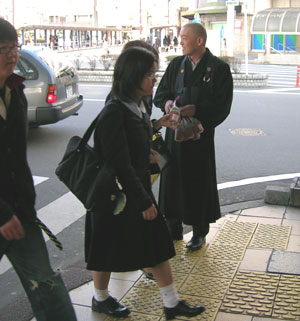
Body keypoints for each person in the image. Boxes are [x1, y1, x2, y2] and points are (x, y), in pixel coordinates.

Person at [85, 47, 205, 320]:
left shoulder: (136, 103)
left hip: (133, 188)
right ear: (133, 75)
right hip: (117, 194)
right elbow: (119, 163)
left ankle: (171, 303)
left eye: (155, 73)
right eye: (150, 74)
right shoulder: (114, 110)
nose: (154, 79)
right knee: (106, 246)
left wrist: (153, 127)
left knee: (156, 245)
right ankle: (101, 299)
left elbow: (130, 138)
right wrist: (143, 202)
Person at [0, 18, 77, 321]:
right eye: (4, 48)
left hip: (20, 213)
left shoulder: (15, 90)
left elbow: (17, 157)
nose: (12, 55)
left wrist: (24, 205)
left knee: (47, 286)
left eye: (14, 47)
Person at [154, 22, 233, 251]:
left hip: (199, 138)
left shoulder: (218, 68)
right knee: (171, 180)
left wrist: (197, 111)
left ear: (199, 41)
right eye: (180, 37)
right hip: (173, 136)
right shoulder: (176, 65)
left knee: (198, 181)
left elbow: (222, 106)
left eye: (184, 37)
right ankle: (173, 227)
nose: (180, 41)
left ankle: (199, 232)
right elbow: (161, 95)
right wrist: (167, 103)